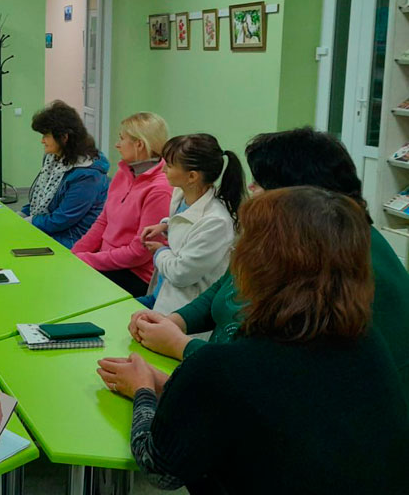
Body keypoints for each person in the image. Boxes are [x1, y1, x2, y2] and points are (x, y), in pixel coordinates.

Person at [99, 187, 409, 493]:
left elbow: (159, 467)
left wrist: (142, 390)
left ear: (259, 266)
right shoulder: (368, 343)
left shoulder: (224, 365)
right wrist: (174, 387)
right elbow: (272, 410)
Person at [129, 128, 409, 401]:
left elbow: (272, 375)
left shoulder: (334, 264)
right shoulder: (300, 240)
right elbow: (226, 288)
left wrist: (178, 346)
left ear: (298, 198)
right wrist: (173, 322)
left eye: (260, 183)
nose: (251, 190)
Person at [138, 134, 245, 312]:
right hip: (160, 294)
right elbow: (186, 224)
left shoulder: (216, 222)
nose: (163, 169)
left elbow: (180, 274)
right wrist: (166, 225)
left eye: (169, 165)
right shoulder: (181, 195)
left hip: (181, 309)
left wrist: (159, 251)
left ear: (192, 176)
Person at [72, 112, 172, 297]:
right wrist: (76, 253)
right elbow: (103, 221)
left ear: (139, 144)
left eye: (122, 138)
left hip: (135, 274)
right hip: (108, 260)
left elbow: (139, 253)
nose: (117, 145)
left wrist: (87, 259)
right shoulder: (124, 172)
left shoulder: (160, 189)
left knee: (72, 287)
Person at [20, 101, 110, 248]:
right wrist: (22, 214)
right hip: (54, 230)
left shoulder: (88, 175)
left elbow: (63, 219)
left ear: (63, 137)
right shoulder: (53, 158)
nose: (42, 141)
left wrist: (28, 222)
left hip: (72, 240)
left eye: (46, 136)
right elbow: (42, 199)